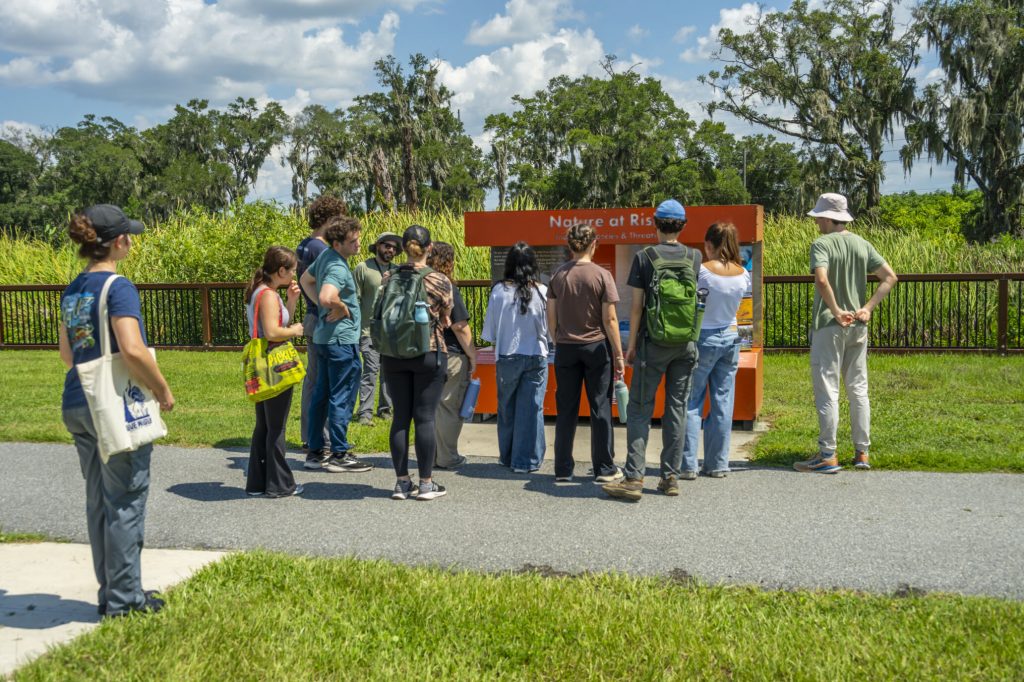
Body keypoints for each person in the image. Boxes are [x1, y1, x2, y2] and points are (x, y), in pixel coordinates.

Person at [58, 204, 174, 618]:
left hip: (77, 400)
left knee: (99, 501)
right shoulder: (119, 287)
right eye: (130, 236)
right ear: (120, 241)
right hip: (111, 405)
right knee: (126, 499)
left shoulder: (73, 289)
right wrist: (161, 389)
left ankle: (110, 592)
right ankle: (125, 603)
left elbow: (67, 356)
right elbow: (132, 348)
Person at [603, 199, 700, 501]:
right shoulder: (694, 257)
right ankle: (670, 477)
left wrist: (630, 347)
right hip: (685, 344)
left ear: (655, 223)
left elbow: (636, 308)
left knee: (640, 409)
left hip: (652, 343)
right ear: (683, 226)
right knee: (677, 409)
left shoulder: (645, 257)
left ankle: (634, 478)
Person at [796, 193, 897, 473]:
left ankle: (828, 454)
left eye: (818, 217)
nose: (816, 221)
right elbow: (890, 277)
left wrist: (837, 309)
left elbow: (821, 279)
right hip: (858, 326)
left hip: (830, 325)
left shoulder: (822, 244)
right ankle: (862, 453)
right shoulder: (862, 244)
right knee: (858, 389)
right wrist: (867, 308)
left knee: (828, 389)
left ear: (828, 218)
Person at [380, 225, 454, 500]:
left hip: (393, 354)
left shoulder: (389, 277)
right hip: (429, 352)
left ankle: (401, 483)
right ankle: (426, 484)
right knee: (424, 418)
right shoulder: (438, 280)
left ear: (403, 246)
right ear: (429, 247)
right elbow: (447, 316)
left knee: (400, 417)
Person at [546, 224, 625, 484]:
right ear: (594, 243)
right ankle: (604, 467)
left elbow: (551, 315)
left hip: (566, 348)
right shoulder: (602, 275)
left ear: (570, 245)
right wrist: (619, 354)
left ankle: (563, 469)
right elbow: (610, 318)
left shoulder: (558, 275)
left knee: (566, 408)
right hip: (596, 347)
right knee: (600, 406)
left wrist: (556, 337)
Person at [299, 215, 374, 474]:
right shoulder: (338, 268)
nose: (358, 244)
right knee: (341, 396)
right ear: (337, 243)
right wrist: (339, 306)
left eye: (358, 239)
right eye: (353, 241)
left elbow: (305, 280)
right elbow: (326, 295)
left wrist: (321, 306)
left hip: (324, 338)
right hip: (342, 341)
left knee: (321, 394)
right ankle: (339, 453)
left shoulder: (326, 258)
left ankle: (316, 451)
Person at [682, 222, 752, 479]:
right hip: (731, 337)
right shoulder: (743, 274)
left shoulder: (702, 272)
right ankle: (717, 464)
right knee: (723, 402)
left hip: (703, 338)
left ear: (709, 245)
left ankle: (688, 465)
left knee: (691, 402)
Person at [481, 241, 550, 474]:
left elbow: (490, 332)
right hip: (535, 356)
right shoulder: (542, 291)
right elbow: (548, 331)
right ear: (533, 264)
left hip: (506, 356)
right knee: (531, 409)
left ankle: (507, 456)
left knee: (507, 408)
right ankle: (526, 461)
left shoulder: (498, 291)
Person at [244, 246, 306, 498]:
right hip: (274, 365)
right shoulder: (268, 295)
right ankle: (280, 484)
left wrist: (291, 302)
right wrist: (296, 331)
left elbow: (278, 322)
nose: (294, 275)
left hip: (261, 365)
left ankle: (258, 483)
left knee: (264, 426)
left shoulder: (260, 291)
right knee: (276, 427)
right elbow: (273, 331)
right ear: (281, 270)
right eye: (292, 270)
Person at [296, 195, 347, 469]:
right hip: (322, 318)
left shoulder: (304, 245)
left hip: (311, 318)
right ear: (329, 220)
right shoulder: (321, 249)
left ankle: (310, 436)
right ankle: (323, 440)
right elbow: (323, 285)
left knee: (313, 381)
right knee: (326, 383)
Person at [427, 241, 478, 470]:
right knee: (449, 406)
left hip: (425, 352)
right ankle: (447, 457)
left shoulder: (421, 283)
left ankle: (431, 454)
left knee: (431, 407)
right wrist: (473, 355)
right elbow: (460, 326)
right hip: (451, 354)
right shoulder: (447, 286)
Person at [352, 232, 401, 425]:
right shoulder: (363, 268)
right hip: (368, 330)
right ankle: (365, 413)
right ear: (378, 246)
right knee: (370, 371)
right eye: (387, 245)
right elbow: (354, 299)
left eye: (394, 248)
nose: (390, 250)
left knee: (388, 372)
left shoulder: (397, 270)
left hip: (391, 332)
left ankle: (385, 409)